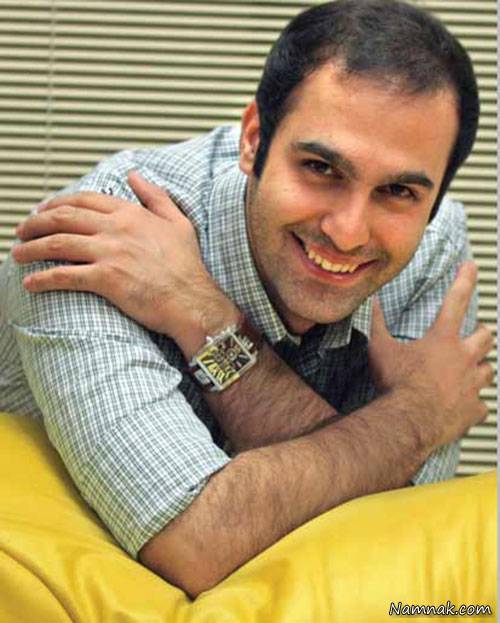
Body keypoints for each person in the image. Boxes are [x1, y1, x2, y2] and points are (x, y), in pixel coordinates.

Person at [0, 0, 494, 599]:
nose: (348, 232)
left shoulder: (432, 246)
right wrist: (418, 417)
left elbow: (403, 536)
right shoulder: (95, 237)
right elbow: (197, 540)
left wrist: (206, 319)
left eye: (398, 191)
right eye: (320, 167)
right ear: (254, 139)